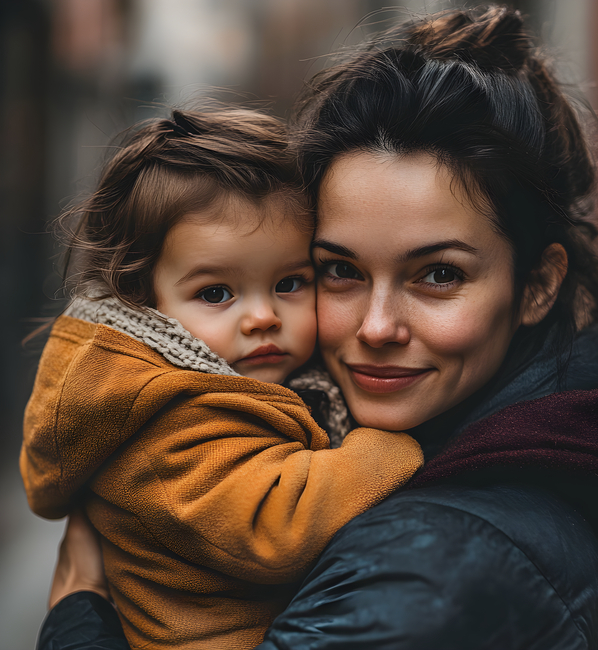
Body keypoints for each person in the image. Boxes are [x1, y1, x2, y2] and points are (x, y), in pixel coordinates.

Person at [34, 6, 598, 650]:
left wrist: (77, 613)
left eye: (438, 275)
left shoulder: (435, 568)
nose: (378, 326)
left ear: (538, 286)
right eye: (339, 271)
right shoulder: (540, 437)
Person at [20, 107, 424, 650]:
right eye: (216, 293)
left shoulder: (235, 381)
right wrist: (391, 447)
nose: (262, 317)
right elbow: (274, 526)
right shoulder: (167, 419)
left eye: (289, 282)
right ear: (147, 301)